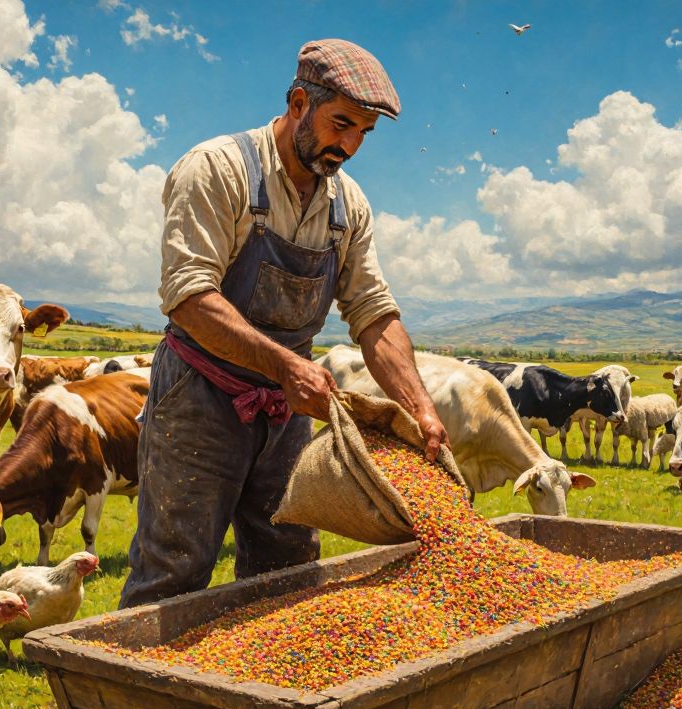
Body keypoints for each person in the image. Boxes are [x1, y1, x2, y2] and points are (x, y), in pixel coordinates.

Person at [120, 39, 448, 608]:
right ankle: (130, 696)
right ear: (299, 103)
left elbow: (372, 313)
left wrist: (419, 406)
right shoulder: (218, 170)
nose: (348, 146)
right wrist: (285, 364)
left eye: (362, 134)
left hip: (288, 409)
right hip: (199, 399)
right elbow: (189, 296)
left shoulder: (348, 205)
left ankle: (259, 694)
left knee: (286, 571)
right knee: (173, 570)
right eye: (340, 124)